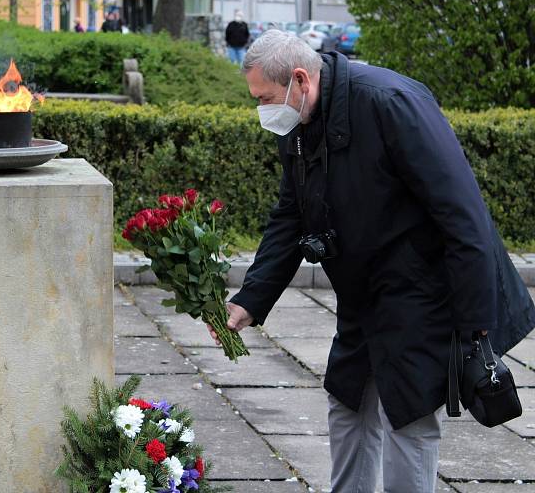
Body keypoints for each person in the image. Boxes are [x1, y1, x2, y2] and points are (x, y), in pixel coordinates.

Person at [207, 30, 535, 492]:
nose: (261, 110)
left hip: (424, 288)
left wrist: (474, 329)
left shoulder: (391, 102)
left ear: (300, 79)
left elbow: (464, 217)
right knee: (347, 400)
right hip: (363, 288)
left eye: (264, 98)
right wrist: (250, 300)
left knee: (409, 414)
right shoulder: (298, 123)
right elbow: (290, 215)